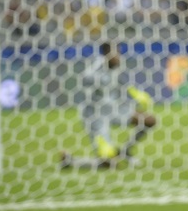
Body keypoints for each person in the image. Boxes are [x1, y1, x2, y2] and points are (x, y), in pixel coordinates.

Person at [60, 41, 157, 169]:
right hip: (96, 116)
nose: (118, 56)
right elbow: (85, 79)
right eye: (115, 53)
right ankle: (72, 162)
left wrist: (134, 93)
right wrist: (98, 80)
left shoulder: (116, 67)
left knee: (149, 120)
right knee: (109, 163)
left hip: (115, 110)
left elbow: (119, 81)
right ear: (106, 55)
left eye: (119, 52)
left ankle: (124, 151)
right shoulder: (97, 67)